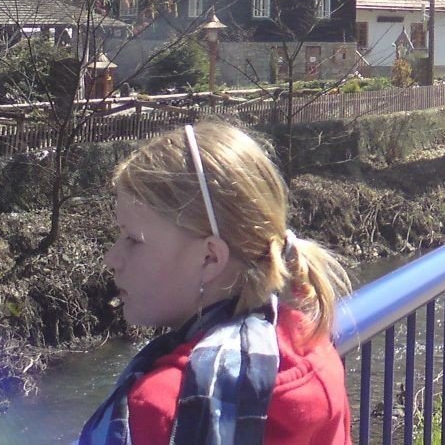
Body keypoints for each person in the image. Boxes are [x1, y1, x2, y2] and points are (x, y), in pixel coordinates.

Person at [79, 121, 351, 445]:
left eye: (133, 239)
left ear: (210, 258)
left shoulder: (156, 411)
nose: (112, 257)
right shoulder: (313, 348)